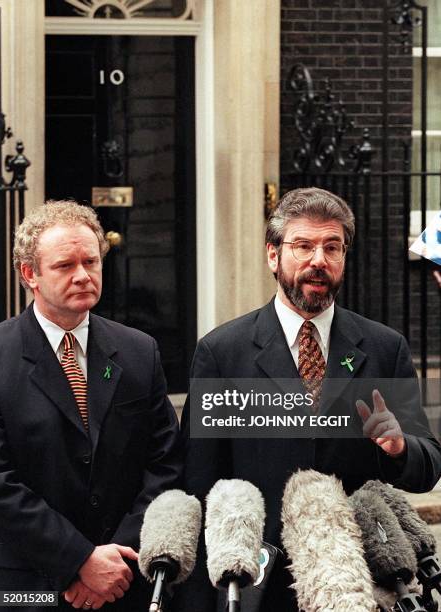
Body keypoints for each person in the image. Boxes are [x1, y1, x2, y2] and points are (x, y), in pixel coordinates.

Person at [176, 187, 441, 611]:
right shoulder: (222, 352)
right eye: (303, 246)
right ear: (273, 256)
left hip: (360, 585)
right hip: (261, 587)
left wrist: (400, 446)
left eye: (331, 247)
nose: (318, 259)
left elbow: (428, 464)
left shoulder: (383, 347)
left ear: (342, 260)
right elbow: (198, 483)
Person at [0, 201, 182, 610]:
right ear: (30, 274)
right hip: (30, 586)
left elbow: (165, 463)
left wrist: (117, 556)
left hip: (125, 579)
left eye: (91, 261)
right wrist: (78, 560)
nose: (83, 275)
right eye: (65, 265)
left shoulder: (139, 351)